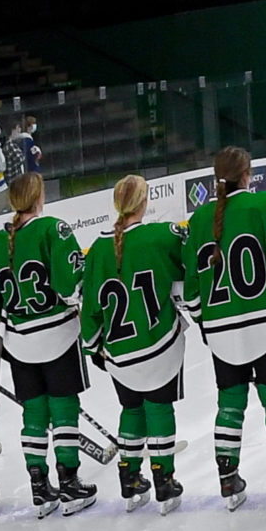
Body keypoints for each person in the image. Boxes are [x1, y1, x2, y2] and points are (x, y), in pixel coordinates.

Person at [184, 146, 266, 509]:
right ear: (248, 175)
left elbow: (192, 291)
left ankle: (228, 478)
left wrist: (204, 319)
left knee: (229, 405)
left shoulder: (198, 220)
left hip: (222, 329)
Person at [0, 172, 95, 515]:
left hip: (19, 345)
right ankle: (70, 483)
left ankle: (39, 487)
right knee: (63, 409)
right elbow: (69, 286)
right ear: (38, 198)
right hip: (58, 336)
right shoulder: (52, 229)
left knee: (34, 414)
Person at [82, 176, 190, 512]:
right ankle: (163, 479)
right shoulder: (161, 235)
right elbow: (186, 275)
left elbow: (89, 310)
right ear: (144, 203)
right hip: (158, 347)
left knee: (131, 409)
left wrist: (94, 347)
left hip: (119, 356)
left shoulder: (98, 248)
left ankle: (129, 478)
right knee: (159, 408)